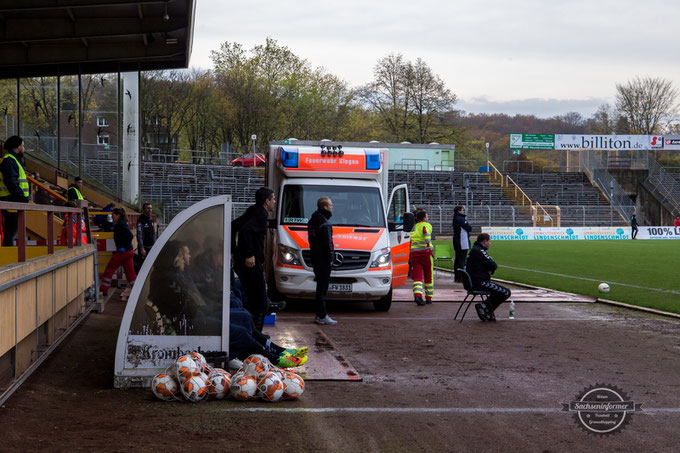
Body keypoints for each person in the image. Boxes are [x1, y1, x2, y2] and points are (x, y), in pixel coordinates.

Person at [231, 187, 276, 331]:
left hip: (244, 263)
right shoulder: (261, 215)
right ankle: (257, 333)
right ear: (267, 201)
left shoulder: (253, 210)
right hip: (251, 264)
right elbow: (245, 230)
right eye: (273, 199)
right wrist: (249, 254)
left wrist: (233, 250)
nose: (274, 202)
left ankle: (252, 331)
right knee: (261, 302)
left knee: (252, 300)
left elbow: (234, 226)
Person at [466, 233, 511, 322]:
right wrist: (490, 270)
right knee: (506, 292)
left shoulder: (474, 250)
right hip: (479, 283)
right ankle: (485, 308)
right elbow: (493, 265)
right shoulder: (479, 251)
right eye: (489, 241)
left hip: (475, 281)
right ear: (484, 241)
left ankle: (485, 308)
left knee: (499, 291)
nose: (490, 243)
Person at [307, 196, 337, 324]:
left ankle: (320, 314)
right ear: (325, 207)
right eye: (330, 205)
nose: (332, 207)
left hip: (315, 257)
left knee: (320, 286)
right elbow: (328, 243)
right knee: (322, 288)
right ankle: (322, 315)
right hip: (323, 259)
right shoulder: (325, 223)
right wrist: (331, 258)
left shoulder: (313, 220)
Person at [99, 207, 136, 297]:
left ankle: (104, 290)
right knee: (130, 273)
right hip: (128, 252)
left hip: (122, 253)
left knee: (109, 270)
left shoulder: (120, 225)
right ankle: (136, 290)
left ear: (118, 215)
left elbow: (129, 235)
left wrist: (122, 247)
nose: (112, 217)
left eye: (113, 215)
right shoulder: (121, 224)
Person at [0, 136, 30, 246]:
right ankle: (8, 258)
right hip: (12, 201)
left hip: (13, 200)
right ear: (17, 147)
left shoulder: (12, 160)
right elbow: (11, 182)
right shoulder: (9, 160)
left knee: (11, 232)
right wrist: (22, 197)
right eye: (22, 145)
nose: (24, 148)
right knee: (11, 233)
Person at [410, 209, 434, 305]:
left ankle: (418, 295)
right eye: (427, 217)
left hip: (414, 255)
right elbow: (427, 235)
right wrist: (429, 246)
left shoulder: (414, 227)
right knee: (428, 276)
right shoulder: (426, 225)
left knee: (418, 277)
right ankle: (428, 297)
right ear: (424, 218)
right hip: (425, 254)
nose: (428, 218)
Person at [452, 205, 472, 283]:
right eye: (462, 210)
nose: (463, 211)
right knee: (461, 260)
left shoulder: (456, 218)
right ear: (459, 211)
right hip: (462, 242)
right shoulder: (460, 219)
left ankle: (457, 277)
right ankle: (460, 278)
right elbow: (469, 228)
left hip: (458, 241)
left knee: (458, 259)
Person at [136, 202, 156, 269]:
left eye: (150, 208)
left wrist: (155, 245)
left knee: (151, 266)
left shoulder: (151, 219)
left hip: (151, 246)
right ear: (144, 209)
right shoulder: (141, 220)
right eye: (147, 208)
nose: (149, 210)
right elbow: (139, 235)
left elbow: (153, 233)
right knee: (143, 266)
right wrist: (142, 248)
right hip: (144, 247)